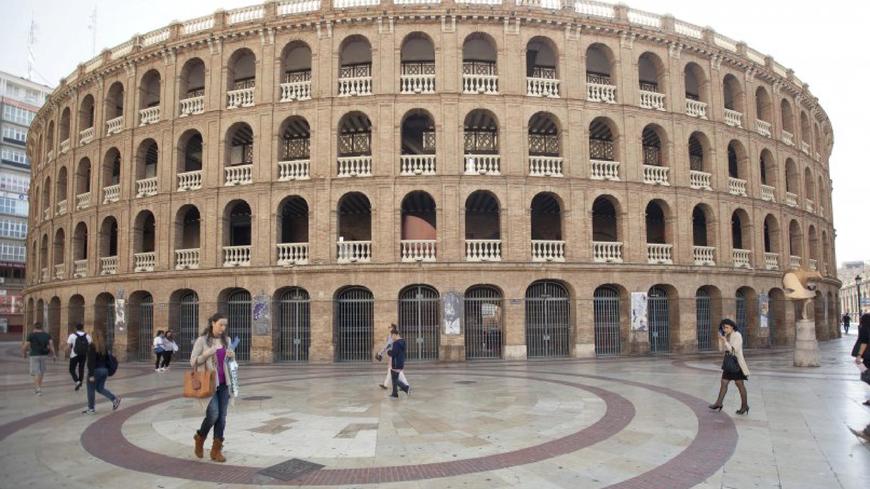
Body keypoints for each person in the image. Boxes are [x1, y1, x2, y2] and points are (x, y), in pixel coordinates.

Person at [191, 313, 235, 463]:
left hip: (224, 384)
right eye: (220, 324)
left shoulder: (227, 340)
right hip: (208, 383)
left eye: (225, 325)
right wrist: (207, 353)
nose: (223, 328)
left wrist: (232, 356)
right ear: (212, 323)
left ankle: (216, 450)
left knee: (222, 418)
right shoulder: (202, 341)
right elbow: (193, 361)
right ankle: (200, 437)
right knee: (213, 415)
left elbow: (229, 363)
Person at [709, 318, 750, 415]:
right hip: (728, 363)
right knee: (724, 382)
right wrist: (723, 339)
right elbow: (724, 349)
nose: (725, 330)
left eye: (727, 327)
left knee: (740, 385)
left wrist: (725, 340)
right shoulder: (728, 335)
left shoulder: (737, 335)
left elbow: (733, 350)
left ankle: (744, 406)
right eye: (723, 328)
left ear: (732, 326)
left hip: (736, 364)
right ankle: (719, 403)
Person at [82, 327, 121, 414]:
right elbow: (108, 359)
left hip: (96, 371)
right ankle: (114, 399)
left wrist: (91, 375)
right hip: (104, 371)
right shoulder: (104, 347)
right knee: (100, 388)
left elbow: (91, 362)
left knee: (90, 389)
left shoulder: (92, 346)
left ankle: (91, 409)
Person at [22, 322, 56, 395]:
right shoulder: (47, 335)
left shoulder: (31, 335)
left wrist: (24, 354)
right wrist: (54, 355)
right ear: (41, 327)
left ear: (35, 327)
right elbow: (51, 345)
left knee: (36, 373)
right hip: (44, 355)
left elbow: (25, 346)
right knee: (41, 372)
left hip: (34, 355)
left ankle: (38, 389)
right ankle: (39, 388)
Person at [387, 329, 410, 399]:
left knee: (394, 378)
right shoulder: (403, 341)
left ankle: (405, 387)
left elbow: (394, 353)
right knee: (394, 377)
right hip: (400, 362)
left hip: (396, 363)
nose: (391, 337)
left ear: (395, 335)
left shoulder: (396, 343)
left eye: (392, 335)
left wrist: (389, 352)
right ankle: (394, 394)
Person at [852, 313, 870, 407]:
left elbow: (864, 342)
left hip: (868, 356)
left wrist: (859, 355)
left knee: (867, 374)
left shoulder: (864, 328)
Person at [67, 323, 91, 391]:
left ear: (76, 328)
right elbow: (90, 345)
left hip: (74, 355)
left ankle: (77, 381)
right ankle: (80, 382)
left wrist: (68, 353)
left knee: (71, 369)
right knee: (81, 369)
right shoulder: (87, 336)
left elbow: (68, 346)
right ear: (83, 328)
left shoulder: (72, 335)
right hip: (83, 354)